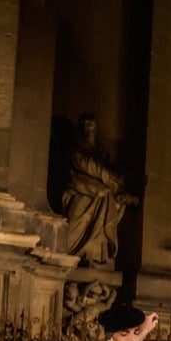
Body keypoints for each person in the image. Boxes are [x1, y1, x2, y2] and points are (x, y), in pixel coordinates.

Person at [61, 114, 137, 266]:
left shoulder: (101, 152)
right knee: (76, 225)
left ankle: (96, 256)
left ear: (95, 129)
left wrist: (115, 180)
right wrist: (109, 177)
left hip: (102, 193)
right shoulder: (77, 149)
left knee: (106, 209)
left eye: (90, 125)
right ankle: (74, 253)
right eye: (84, 125)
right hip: (82, 190)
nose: (87, 128)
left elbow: (105, 168)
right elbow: (87, 165)